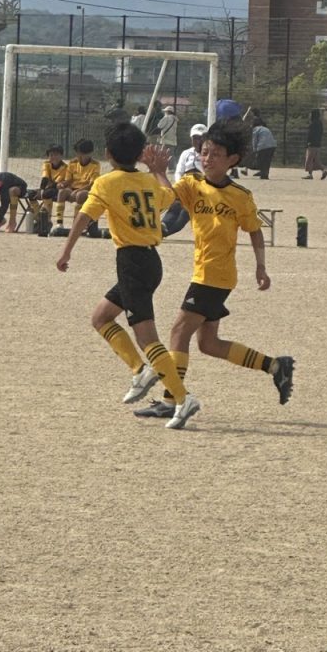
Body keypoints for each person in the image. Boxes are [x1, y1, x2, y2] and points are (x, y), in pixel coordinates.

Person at [134, 121, 294, 420]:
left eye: (216, 154)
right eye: (204, 152)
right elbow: (168, 198)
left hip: (215, 276)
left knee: (179, 332)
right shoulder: (193, 184)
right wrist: (158, 171)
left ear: (232, 159)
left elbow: (255, 230)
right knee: (208, 344)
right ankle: (276, 366)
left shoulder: (240, 196)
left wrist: (261, 266)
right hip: (205, 273)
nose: (207, 159)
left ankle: (171, 399)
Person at [55, 122, 201, 430]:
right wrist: (159, 170)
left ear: (108, 153)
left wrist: (66, 251)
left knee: (147, 337)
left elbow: (84, 216)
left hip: (132, 261)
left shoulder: (106, 183)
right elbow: (169, 196)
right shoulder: (147, 180)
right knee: (101, 318)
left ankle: (181, 397)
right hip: (150, 261)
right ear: (139, 154)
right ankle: (139, 370)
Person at [161, 122, 206, 237]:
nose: (198, 141)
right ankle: (163, 225)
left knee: (183, 217)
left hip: (200, 189)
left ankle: (163, 233)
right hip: (184, 185)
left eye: (201, 138)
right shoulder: (186, 153)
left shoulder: (210, 155)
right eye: (195, 138)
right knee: (175, 207)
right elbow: (179, 171)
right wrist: (180, 186)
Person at [52, 139, 101, 237]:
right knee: (61, 192)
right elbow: (69, 180)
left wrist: (79, 190)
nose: (79, 156)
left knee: (80, 195)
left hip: (86, 190)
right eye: (78, 153)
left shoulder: (95, 164)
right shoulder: (73, 162)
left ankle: (76, 224)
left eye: (82, 154)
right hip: (73, 189)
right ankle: (59, 223)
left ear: (89, 153)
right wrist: (62, 184)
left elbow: (92, 184)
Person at [304, 109, 327, 180]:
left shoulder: (313, 124)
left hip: (312, 144)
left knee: (309, 159)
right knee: (315, 160)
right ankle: (321, 171)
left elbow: (310, 134)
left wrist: (308, 142)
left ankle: (313, 173)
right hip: (318, 144)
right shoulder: (320, 123)